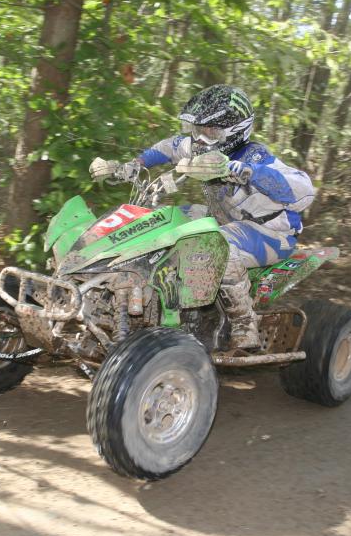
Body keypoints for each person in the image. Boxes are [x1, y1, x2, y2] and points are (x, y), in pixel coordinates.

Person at [91, 84, 314, 348]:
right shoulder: (202, 146)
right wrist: (134, 165)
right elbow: (168, 147)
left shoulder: (255, 156)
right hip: (224, 219)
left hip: (271, 233)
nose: (200, 138)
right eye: (197, 129)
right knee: (161, 221)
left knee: (216, 245)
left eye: (210, 131)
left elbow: (304, 190)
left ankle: (244, 323)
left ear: (235, 131)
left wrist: (245, 171)